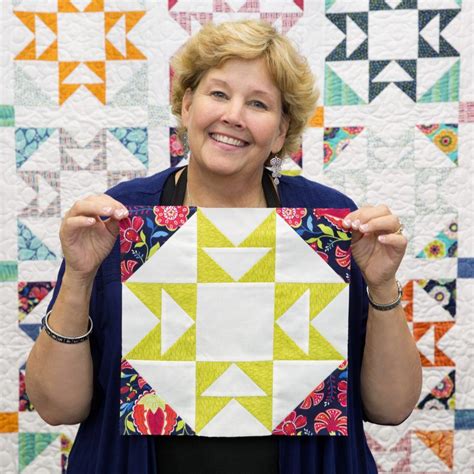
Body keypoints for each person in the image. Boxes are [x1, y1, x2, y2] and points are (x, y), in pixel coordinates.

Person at [25, 20, 422, 474]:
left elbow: (390, 408)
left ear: (279, 132)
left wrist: (384, 285)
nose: (234, 115)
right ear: (188, 104)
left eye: (258, 103)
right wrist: (78, 277)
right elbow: (57, 407)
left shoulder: (328, 223)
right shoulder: (120, 221)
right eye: (218, 94)